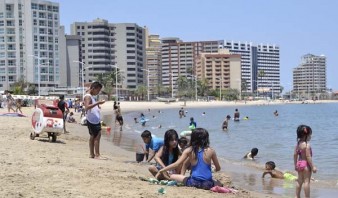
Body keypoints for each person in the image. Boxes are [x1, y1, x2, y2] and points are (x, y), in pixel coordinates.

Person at [156, 128, 222, 190]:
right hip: (207, 184)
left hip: (193, 183)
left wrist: (162, 170)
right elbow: (218, 168)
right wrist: (213, 170)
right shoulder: (211, 151)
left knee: (172, 176)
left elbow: (176, 164)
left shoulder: (189, 150)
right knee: (219, 183)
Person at [84, 82, 106, 159]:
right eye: (98, 90)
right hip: (92, 120)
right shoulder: (88, 96)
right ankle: (97, 155)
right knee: (97, 136)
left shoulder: (89, 95)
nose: (98, 92)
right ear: (93, 89)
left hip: (92, 119)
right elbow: (87, 107)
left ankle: (92, 154)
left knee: (93, 136)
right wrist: (98, 103)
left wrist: (97, 107)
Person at [294, 125, 317, 198]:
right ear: (306, 135)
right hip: (306, 165)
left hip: (299, 164)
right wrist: (313, 167)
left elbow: (295, 155)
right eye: (310, 135)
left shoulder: (297, 144)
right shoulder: (307, 145)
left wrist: (295, 165)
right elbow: (308, 157)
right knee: (307, 182)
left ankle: (297, 196)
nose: (311, 137)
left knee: (299, 181)